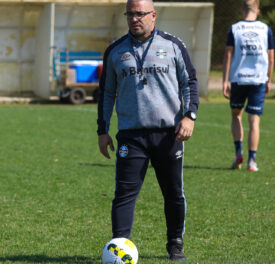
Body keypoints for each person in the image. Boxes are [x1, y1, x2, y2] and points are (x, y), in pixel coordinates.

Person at [97, 0, 199, 261]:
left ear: (153, 15)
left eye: (140, 14)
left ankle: (175, 243)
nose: (134, 19)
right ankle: (119, 247)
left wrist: (190, 116)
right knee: (124, 193)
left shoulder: (173, 45)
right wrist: (102, 129)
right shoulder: (115, 51)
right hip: (131, 136)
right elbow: (107, 92)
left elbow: (190, 82)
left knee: (173, 192)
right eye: (130, 14)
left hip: (169, 134)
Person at [222, 0, 274, 171]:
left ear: (242, 9)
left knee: (236, 116)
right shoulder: (265, 29)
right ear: (257, 10)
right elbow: (271, 57)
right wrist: (269, 79)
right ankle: (252, 161)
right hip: (258, 79)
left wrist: (225, 80)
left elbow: (228, 55)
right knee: (254, 122)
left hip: (238, 79)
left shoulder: (235, 28)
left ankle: (238, 154)